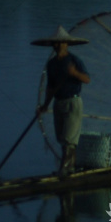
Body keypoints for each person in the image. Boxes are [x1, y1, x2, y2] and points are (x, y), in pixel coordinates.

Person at [33, 26, 91, 177]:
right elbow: (50, 87)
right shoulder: (52, 64)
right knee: (61, 137)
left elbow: (87, 79)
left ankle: (66, 170)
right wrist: (45, 105)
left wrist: (74, 73)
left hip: (73, 101)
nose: (58, 46)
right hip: (58, 102)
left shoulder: (74, 60)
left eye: (61, 43)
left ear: (67, 44)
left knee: (69, 138)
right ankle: (68, 168)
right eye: (56, 43)